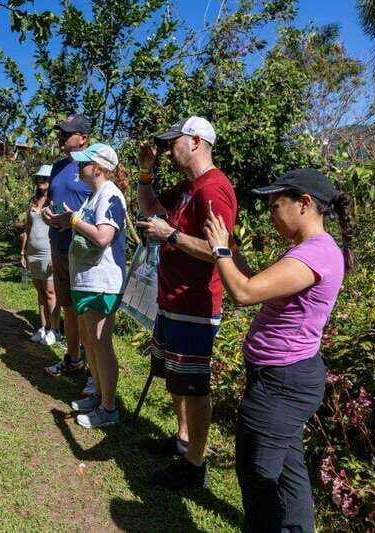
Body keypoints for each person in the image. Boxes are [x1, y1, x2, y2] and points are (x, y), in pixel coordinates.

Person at [203, 169, 353, 532]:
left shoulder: (316, 254)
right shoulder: (309, 251)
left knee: (258, 476)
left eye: (275, 206)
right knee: (287, 469)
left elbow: (244, 294)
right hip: (283, 376)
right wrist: (231, 252)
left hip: (281, 383)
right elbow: (256, 283)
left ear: (304, 204)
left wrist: (221, 249)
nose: (271, 214)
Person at [136, 116, 237, 488]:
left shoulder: (214, 189)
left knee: (193, 387)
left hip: (195, 305)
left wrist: (172, 235)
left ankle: (194, 464)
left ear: (194, 141)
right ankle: (182, 440)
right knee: (176, 380)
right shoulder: (187, 186)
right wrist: (146, 172)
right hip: (171, 299)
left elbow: (220, 251)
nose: (166, 148)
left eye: (171, 142)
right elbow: (148, 209)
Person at [55, 143, 127, 429]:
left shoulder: (110, 195)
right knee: (91, 343)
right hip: (86, 278)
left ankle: (109, 408)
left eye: (84, 163)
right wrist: (65, 221)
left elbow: (103, 236)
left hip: (102, 282)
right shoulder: (94, 196)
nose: (78, 167)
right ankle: (98, 393)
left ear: (99, 167)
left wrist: (73, 220)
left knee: (100, 343)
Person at [42, 114, 94, 393]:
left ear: (83, 138)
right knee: (68, 306)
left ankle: (92, 369)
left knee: (85, 310)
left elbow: (101, 204)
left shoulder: (93, 166)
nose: (62, 137)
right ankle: (73, 359)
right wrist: (49, 214)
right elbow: (53, 200)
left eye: (68, 133)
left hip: (84, 249)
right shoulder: (58, 166)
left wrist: (73, 220)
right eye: (61, 132)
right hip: (58, 244)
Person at [20, 164, 60, 345]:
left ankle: (55, 330)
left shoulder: (56, 202)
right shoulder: (34, 202)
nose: (40, 181)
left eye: (44, 178)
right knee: (40, 293)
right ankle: (44, 328)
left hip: (49, 251)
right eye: (38, 178)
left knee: (51, 292)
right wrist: (23, 251)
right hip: (33, 252)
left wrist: (56, 254)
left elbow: (59, 229)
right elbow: (28, 228)